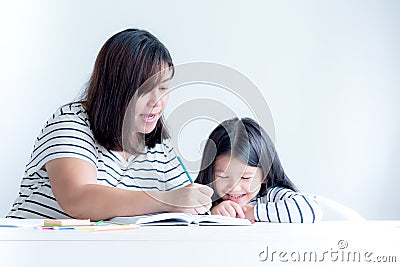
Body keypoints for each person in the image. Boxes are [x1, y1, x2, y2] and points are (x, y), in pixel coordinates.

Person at [7, 29, 213, 220]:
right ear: (115, 89)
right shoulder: (72, 121)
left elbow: (185, 201)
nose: (157, 102)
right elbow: (78, 200)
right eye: (144, 90)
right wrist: (167, 200)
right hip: (32, 251)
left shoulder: (158, 146)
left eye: (163, 88)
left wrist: (208, 208)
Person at [196, 117, 322, 223]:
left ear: (265, 175)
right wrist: (211, 215)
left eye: (246, 177)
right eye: (222, 177)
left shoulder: (270, 196)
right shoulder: (203, 199)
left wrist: (250, 212)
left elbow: (311, 208)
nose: (234, 188)